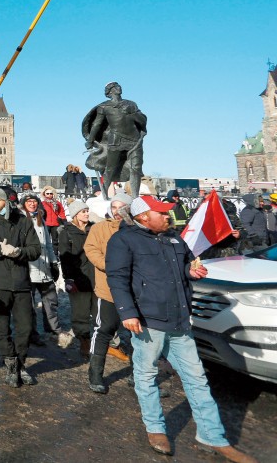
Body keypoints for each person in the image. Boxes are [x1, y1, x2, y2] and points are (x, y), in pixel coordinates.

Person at [107, 196, 258, 462]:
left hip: (179, 320)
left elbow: (186, 266)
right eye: (162, 213)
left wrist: (192, 271)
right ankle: (155, 428)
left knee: (197, 378)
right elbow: (117, 278)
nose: (169, 216)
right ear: (143, 217)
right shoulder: (123, 240)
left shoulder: (175, 239)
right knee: (146, 376)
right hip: (147, 321)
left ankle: (213, 436)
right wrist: (128, 313)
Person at [0, 186, 42, 387]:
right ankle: (10, 364)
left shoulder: (24, 222)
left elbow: (35, 250)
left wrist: (18, 252)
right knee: (2, 327)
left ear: (9, 203)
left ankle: (20, 364)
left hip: (21, 282)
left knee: (26, 327)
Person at [84, 192, 135, 392]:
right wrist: (108, 265)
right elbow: (91, 249)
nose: (117, 212)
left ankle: (138, 374)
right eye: (114, 207)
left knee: (137, 335)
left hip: (134, 291)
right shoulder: (100, 228)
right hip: (108, 289)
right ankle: (95, 374)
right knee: (103, 330)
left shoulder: (137, 230)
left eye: (122, 207)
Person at [82, 82, 147, 198]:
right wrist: (90, 140)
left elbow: (142, 121)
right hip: (116, 140)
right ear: (110, 91)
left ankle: (135, 198)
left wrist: (133, 113)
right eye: (115, 87)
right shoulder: (104, 107)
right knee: (110, 168)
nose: (119, 88)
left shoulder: (131, 104)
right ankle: (105, 194)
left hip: (135, 140)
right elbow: (97, 124)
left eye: (118, 86)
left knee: (136, 169)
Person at [21, 193, 62, 347]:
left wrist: (53, 263)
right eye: (29, 201)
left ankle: (53, 328)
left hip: (44, 266)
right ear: (24, 204)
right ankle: (32, 333)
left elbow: (49, 244)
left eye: (34, 201)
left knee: (51, 300)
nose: (32, 204)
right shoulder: (21, 221)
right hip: (29, 267)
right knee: (29, 304)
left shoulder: (41, 219)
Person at [57, 200, 95, 359]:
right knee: (81, 312)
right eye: (83, 211)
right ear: (75, 214)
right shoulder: (67, 232)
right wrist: (69, 278)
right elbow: (65, 257)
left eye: (87, 210)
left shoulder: (93, 228)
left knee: (97, 310)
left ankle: (99, 340)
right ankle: (84, 340)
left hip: (95, 275)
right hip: (78, 277)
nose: (87, 213)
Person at [39, 186, 67, 254]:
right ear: (44, 194)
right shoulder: (42, 203)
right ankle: (46, 254)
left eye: (51, 193)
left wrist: (64, 221)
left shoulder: (57, 203)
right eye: (47, 193)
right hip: (46, 223)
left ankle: (55, 254)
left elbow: (61, 212)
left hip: (55, 224)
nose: (49, 195)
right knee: (45, 240)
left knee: (55, 241)